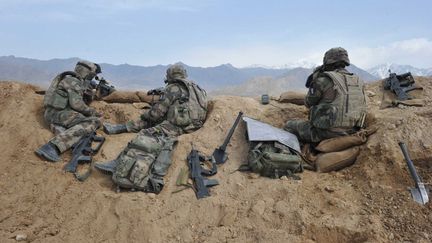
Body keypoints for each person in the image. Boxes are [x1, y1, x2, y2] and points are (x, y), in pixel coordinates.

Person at [95, 64, 208, 192]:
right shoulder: (197, 88)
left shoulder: (174, 88)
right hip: (194, 125)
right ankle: (118, 128)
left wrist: (145, 114)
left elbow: (156, 114)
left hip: (179, 127)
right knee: (151, 124)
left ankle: (118, 163)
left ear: (170, 75)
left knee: (146, 132)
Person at [284, 47, 367, 143]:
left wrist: (316, 78)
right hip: (352, 130)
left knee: (289, 125)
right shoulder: (359, 81)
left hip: (326, 133)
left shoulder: (324, 80)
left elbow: (309, 102)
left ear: (328, 62)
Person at [35, 61, 102, 162]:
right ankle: (52, 147)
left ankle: (58, 128)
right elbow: (77, 105)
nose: (91, 77)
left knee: (80, 120)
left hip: (54, 114)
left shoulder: (69, 79)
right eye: (91, 75)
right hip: (57, 114)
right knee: (93, 121)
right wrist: (93, 112)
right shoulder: (73, 81)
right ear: (87, 73)